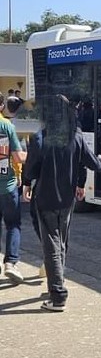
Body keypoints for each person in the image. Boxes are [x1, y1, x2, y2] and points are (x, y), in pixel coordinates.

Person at [22, 94, 101, 312]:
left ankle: (58, 294)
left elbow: (31, 167)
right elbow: (92, 163)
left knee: (50, 243)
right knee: (61, 241)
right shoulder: (76, 136)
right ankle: (59, 282)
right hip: (67, 198)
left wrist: (26, 184)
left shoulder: (40, 137)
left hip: (45, 196)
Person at [0, 95, 27, 283]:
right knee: (13, 224)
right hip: (7, 185)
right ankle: (10, 262)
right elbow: (18, 157)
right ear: (2, 106)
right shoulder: (7, 127)